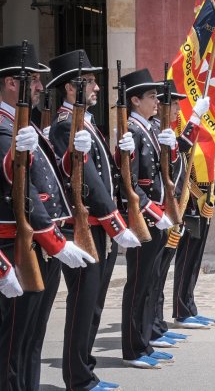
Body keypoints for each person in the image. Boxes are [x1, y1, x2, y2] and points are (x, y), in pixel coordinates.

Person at [0, 43, 96, 391]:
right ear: (12, 83)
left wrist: (75, 155)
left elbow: (52, 177)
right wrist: (56, 243)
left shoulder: (24, 128)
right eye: (34, 80)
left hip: (38, 244)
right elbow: (18, 187)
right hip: (16, 247)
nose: (41, 86)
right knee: (12, 345)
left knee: (32, 339)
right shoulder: (4, 128)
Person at [48, 49, 140, 390]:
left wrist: (123, 153)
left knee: (94, 304)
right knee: (82, 305)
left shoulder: (85, 124)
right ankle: (78, 377)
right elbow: (84, 180)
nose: (97, 87)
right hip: (85, 227)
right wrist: (116, 224)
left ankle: (86, 370)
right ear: (71, 88)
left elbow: (105, 174)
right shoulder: (64, 125)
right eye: (89, 81)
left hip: (100, 227)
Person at [119, 68, 176, 369]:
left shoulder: (150, 128)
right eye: (152, 96)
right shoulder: (131, 131)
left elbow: (163, 173)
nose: (157, 102)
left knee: (150, 282)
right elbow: (129, 183)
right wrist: (155, 212)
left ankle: (145, 341)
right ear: (135, 100)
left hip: (157, 217)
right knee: (138, 284)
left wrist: (172, 146)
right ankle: (133, 347)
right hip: (145, 218)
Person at [167, 83, 215, 329]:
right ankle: (181, 310)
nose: (178, 106)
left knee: (194, 259)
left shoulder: (197, 125)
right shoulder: (171, 127)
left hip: (201, 201)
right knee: (185, 257)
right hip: (187, 202)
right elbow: (180, 156)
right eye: (175, 102)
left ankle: (188, 306)